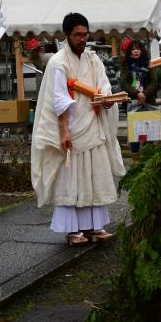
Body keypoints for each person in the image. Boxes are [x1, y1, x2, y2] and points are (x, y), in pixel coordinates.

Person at [31, 13, 125, 246]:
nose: (83, 39)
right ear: (67, 36)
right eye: (78, 35)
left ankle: (95, 226)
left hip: (93, 124)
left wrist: (106, 99)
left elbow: (103, 85)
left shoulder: (93, 60)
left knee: (95, 175)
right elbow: (59, 99)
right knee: (72, 179)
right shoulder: (58, 62)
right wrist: (64, 132)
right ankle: (73, 230)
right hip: (72, 127)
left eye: (85, 34)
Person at [120, 40, 161, 152]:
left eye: (137, 49)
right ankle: (135, 158)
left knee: (148, 133)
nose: (135, 51)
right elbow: (123, 82)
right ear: (130, 51)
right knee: (135, 135)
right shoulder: (126, 64)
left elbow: (154, 81)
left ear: (141, 50)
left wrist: (144, 94)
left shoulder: (149, 63)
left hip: (148, 101)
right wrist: (136, 94)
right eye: (133, 49)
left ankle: (148, 160)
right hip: (133, 101)